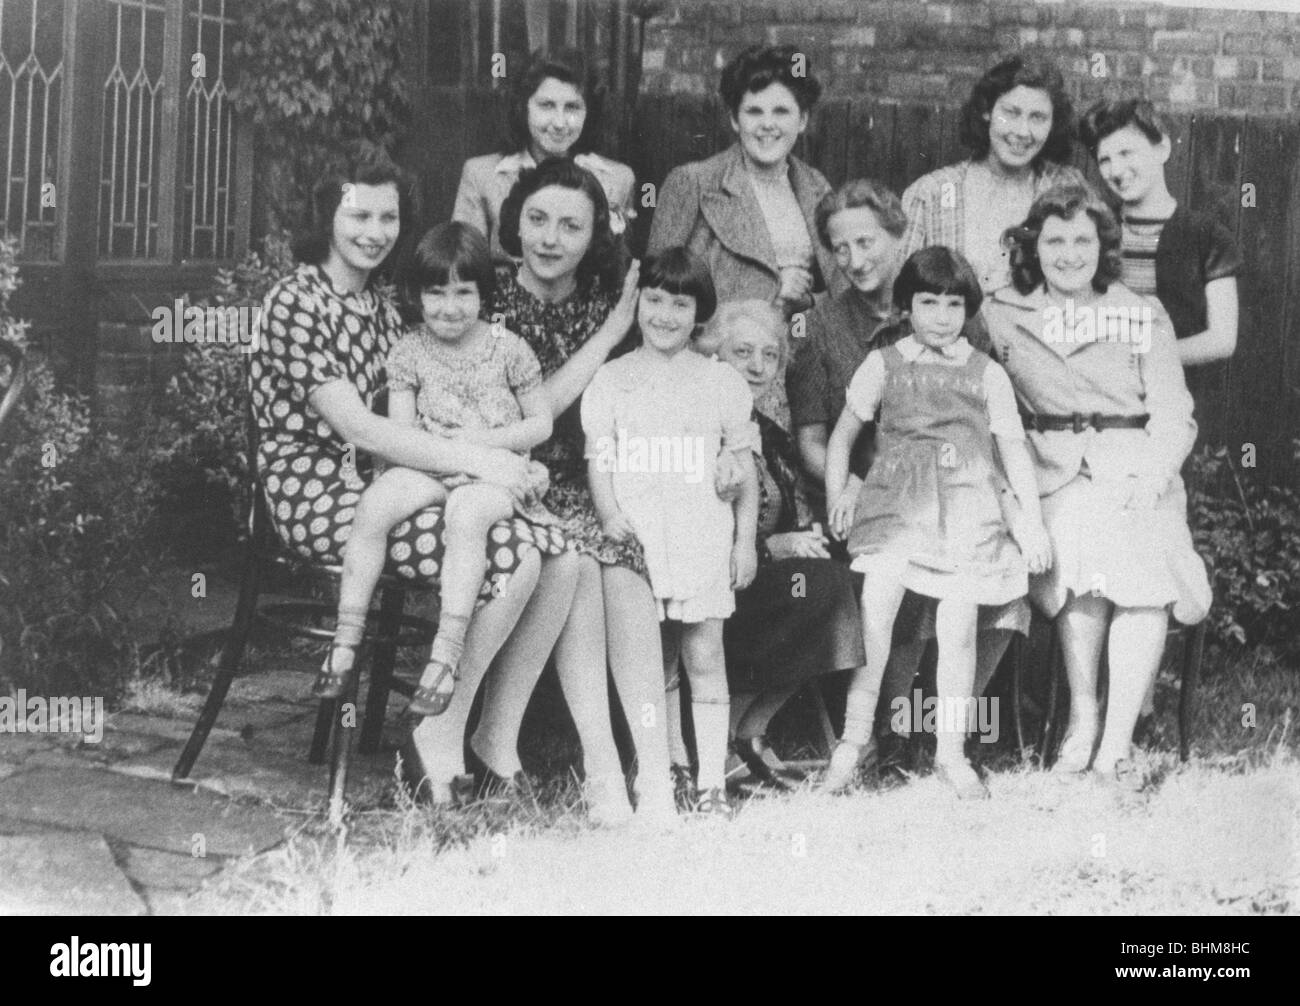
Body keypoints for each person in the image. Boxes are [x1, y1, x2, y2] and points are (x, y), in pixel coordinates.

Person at [250, 149, 584, 809]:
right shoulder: (294, 301)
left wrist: (500, 454)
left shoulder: (380, 306)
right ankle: (437, 730)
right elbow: (362, 430)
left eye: (387, 217)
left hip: (399, 478)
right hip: (320, 491)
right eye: (358, 215)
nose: (373, 231)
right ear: (329, 216)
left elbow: (434, 397)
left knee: (564, 555)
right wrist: (481, 461)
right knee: (514, 554)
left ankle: (495, 735)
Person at [490, 157, 748, 822]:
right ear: (514, 222)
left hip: (597, 482)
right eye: (537, 220)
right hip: (509, 477)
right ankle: (605, 767)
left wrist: (728, 468)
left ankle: (656, 771)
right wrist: (610, 332)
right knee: (582, 553)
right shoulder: (483, 300)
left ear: (594, 234)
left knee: (620, 563)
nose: (550, 237)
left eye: (570, 225)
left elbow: (697, 402)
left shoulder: (614, 297)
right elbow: (528, 419)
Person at [983, 183, 1211, 782]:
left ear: (1102, 246)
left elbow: (1173, 413)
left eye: (1082, 239)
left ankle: (1115, 739)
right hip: (1050, 473)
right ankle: (1082, 718)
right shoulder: (1000, 311)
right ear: (1034, 247)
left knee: (1140, 558)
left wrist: (1155, 474)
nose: (1068, 254)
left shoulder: (1141, 312)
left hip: (1135, 466)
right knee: (1080, 547)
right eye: (1054, 240)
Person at [824, 247, 1050, 798]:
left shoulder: (986, 372)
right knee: (878, 599)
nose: (942, 316)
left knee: (958, 620)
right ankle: (854, 740)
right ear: (907, 305)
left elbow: (1013, 450)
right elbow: (842, 437)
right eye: (929, 302)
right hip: (898, 506)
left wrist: (1032, 522)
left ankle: (951, 752)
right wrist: (839, 494)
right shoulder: (884, 363)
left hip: (967, 508)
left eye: (954, 304)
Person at [313, 221, 560, 720]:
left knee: (466, 515)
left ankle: (445, 655)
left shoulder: (508, 347)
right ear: (417, 295)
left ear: (483, 294)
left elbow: (541, 423)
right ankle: (346, 638)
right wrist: (440, 455)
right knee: (375, 503)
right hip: (429, 465)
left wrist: (480, 444)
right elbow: (404, 437)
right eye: (436, 293)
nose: (450, 307)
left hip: (497, 472)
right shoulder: (408, 351)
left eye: (464, 292)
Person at [582, 250, 760, 817]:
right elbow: (599, 459)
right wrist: (610, 515)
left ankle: (711, 781)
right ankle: (666, 765)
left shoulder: (720, 381)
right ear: (636, 303)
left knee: (704, 654)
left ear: (698, 312)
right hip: (641, 543)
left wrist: (745, 540)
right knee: (652, 662)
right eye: (653, 300)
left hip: (700, 538)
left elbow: (742, 467)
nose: (664, 315)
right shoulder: (612, 379)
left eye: (680, 304)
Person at [700, 299, 869, 791]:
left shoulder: (766, 430)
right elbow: (703, 526)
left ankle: (752, 731)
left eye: (770, 356)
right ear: (715, 355)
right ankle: (726, 733)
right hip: (724, 583)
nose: (757, 366)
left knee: (854, 578)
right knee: (821, 589)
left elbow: (790, 505)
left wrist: (809, 534)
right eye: (743, 352)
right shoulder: (704, 424)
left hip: (771, 576)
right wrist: (780, 544)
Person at [647, 43, 844, 429]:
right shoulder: (693, 182)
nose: (767, 124)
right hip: (712, 371)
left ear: (803, 120)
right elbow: (657, 295)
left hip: (793, 366)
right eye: (754, 111)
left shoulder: (816, 186)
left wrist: (802, 298)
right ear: (735, 120)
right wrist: (772, 292)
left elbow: (836, 290)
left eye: (782, 111)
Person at [901, 55, 1089, 294]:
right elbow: (902, 297)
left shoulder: (1066, 186)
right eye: (1011, 113)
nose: (1022, 131)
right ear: (986, 111)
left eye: (1038, 118)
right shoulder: (931, 193)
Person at [1079, 98, 1241, 366]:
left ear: (1162, 148)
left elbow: (1222, 340)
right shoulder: (1093, 228)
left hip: (1179, 394)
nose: (1116, 170)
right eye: (1104, 160)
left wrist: (1136, 358)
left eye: (1126, 153)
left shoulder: (1208, 235)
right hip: (1103, 396)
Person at [453, 47, 636, 266]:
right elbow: (463, 268)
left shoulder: (619, 178)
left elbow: (618, 269)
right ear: (524, 107)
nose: (559, 123)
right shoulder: (480, 174)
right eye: (547, 105)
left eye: (572, 107)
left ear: (589, 112)